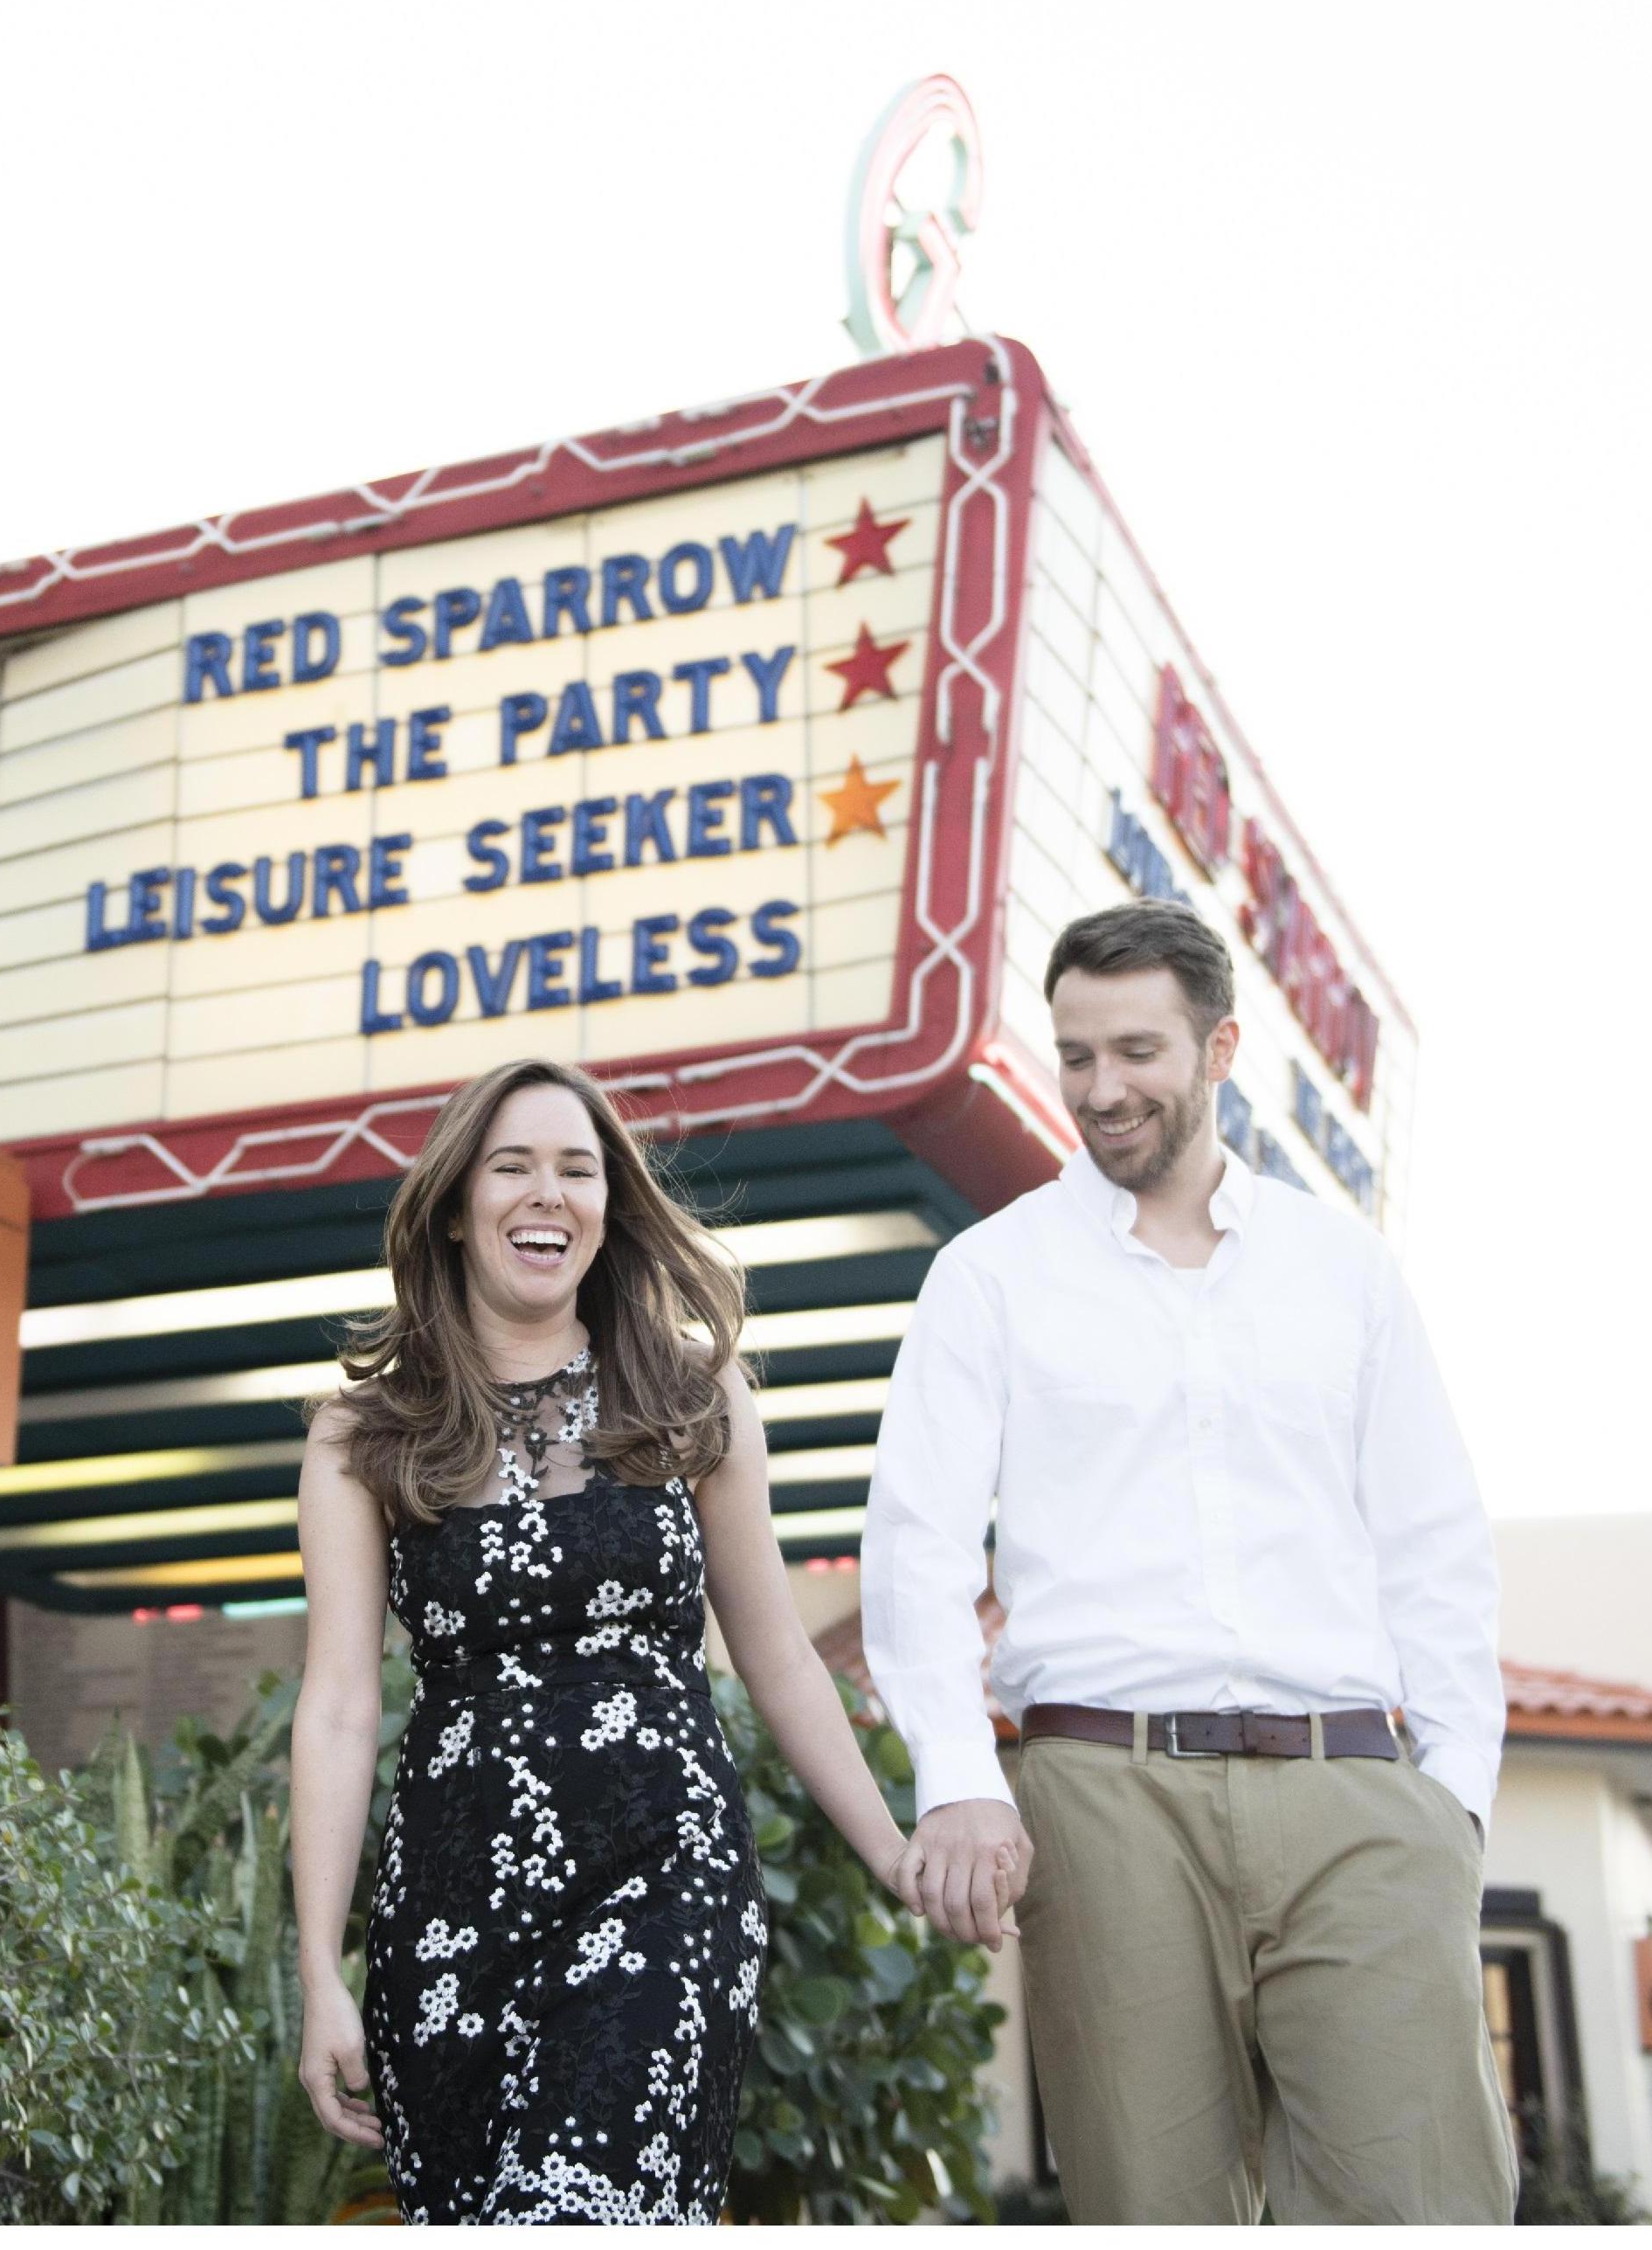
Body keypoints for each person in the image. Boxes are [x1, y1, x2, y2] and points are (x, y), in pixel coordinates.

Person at [861, 900, 1517, 2225]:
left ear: (1219, 1048)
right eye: (1077, 1054)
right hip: (1104, 1794)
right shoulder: (988, 1276)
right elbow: (915, 1544)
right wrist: (957, 1777)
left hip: (1357, 1792)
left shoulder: (1343, 1270)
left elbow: (1430, 1538)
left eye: (1137, 1051)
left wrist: (1453, 1801)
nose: (1102, 1089)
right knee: (1154, 2207)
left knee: (1424, 2202)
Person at [289, 1056, 929, 2225]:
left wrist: (890, 1850)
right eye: (513, 1166)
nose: (548, 1194)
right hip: (452, 1909)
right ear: (451, 1204)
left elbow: (779, 1652)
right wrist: (319, 1970)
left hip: (663, 1875)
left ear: (607, 1207)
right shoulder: (361, 1434)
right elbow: (337, 1706)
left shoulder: (693, 1394)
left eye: (577, 1170)